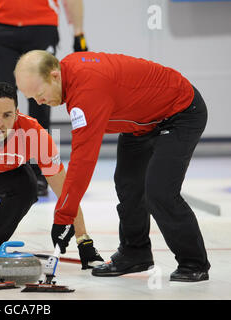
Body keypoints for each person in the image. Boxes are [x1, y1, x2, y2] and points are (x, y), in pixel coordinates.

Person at [14, 50, 211, 282]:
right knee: (128, 185)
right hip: (141, 122)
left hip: (180, 112)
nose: (39, 102)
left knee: (159, 191)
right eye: (32, 99)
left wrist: (64, 217)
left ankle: (193, 262)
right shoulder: (70, 78)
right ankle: (134, 253)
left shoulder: (86, 91)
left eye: (39, 94)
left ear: (55, 76)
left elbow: (83, 160)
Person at [0, 82, 103, 274]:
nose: (0, 123)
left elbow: (66, 190)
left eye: (7, 115)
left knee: (28, 185)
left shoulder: (34, 133)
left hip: (4, 174)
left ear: (16, 113)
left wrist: (84, 239)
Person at [0, 0, 88, 197]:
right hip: (2, 28)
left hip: (41, 26)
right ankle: (2, 171)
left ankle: (38, 173)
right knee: (1, 99)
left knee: (41, 103)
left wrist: (79, 32)